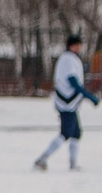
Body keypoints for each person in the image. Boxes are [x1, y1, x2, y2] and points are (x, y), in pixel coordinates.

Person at [34, 34, 97, 171]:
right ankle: (42, 159)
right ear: (72, 45)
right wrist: (89, 96)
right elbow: (73, 81)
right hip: (66, 102)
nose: (80, 47)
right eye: (77, 45)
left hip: (70, 102)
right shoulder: (68, 59)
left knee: (76, 133)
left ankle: (73, 164)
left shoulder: (70, 58)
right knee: (66, 133)